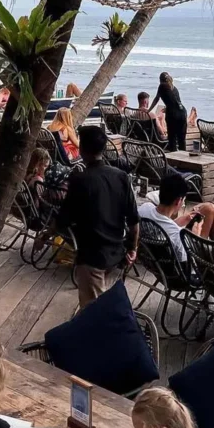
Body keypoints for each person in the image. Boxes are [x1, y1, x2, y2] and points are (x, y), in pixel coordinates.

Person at [56, 125, 139, 307]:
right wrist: (132, 248)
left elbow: (64, 219)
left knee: (92, 311)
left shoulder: (80, 179)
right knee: (103, 306)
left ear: (82, 149)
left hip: (91, 256)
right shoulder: (121, 177)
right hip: (117, 254)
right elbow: (133, 221)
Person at [138, 174, 214, 265]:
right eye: (184, 200)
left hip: (152, 260)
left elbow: (160, 228)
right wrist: (195, 236)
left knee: (209, 208)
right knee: (211, 211)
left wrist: (178, 222)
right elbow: (187, 265)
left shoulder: (144, 209)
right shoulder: (177, 234)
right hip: (185, 269)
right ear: (178, 201)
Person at [149, 73, 187, 152]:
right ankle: (184, 157)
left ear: (160, 80)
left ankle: (174, 158)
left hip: (172, 114)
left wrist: (149, 110)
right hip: (182, 112)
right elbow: (175, 101)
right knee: (181, 138)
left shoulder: (162, 86)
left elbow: (156, 99)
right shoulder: (174, 87)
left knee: (172, 138)